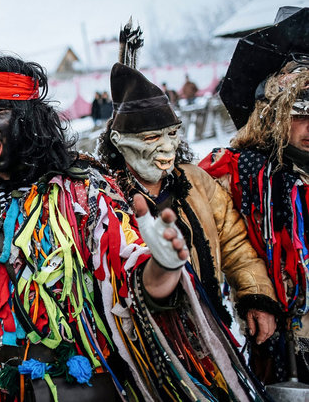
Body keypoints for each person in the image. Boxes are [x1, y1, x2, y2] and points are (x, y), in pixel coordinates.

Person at [0, 55, 268, 401]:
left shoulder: (84, 192)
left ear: (29, 119)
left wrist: (162, 266)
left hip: (66, 385)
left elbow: (129, 276)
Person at [98, 62, 278, 343]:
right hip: (145, 343)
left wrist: (255, 295)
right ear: (119, 141)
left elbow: (234, 243)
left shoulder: (195, 180)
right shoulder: (105, 198)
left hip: (211, 329)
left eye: (172, 133)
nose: (168, 146)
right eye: (152, 137)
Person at [199, 7, 309, 385]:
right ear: (273, 113)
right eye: (299, 112)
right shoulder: (236, 171)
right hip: (284, 342)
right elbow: (217, 231)